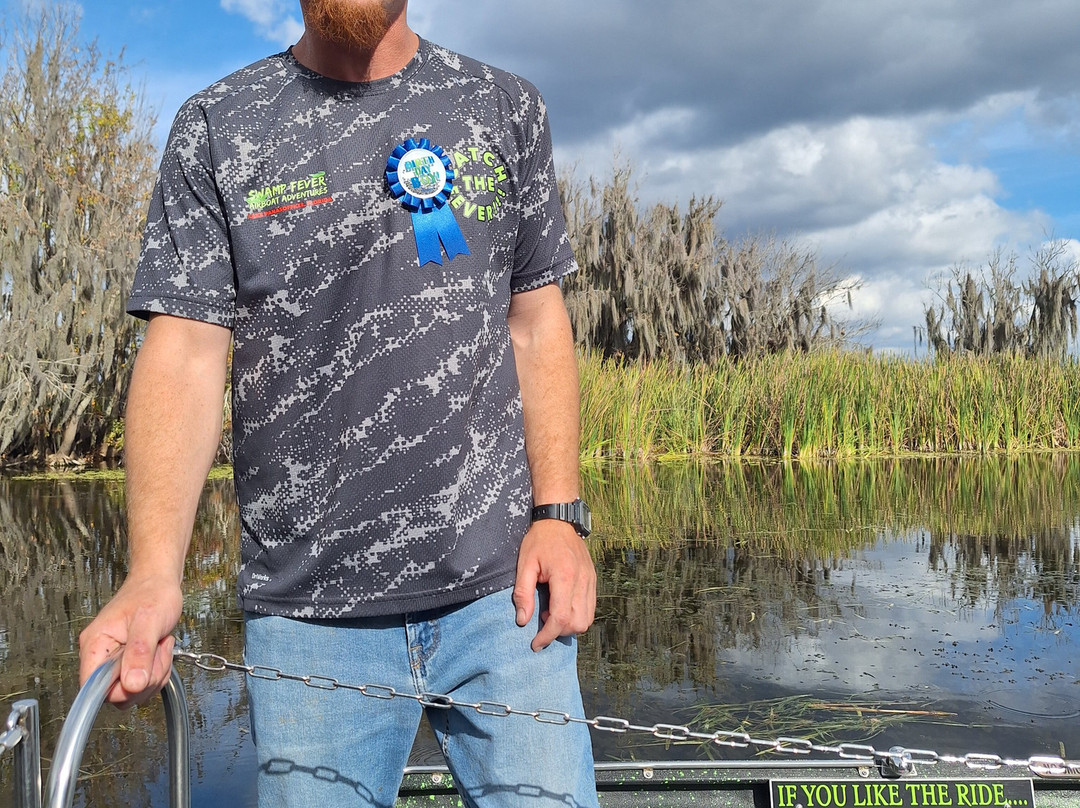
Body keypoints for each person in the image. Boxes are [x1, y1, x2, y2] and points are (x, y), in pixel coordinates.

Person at [78, 1, 600, 805]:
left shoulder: (504, 105)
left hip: (506, 600)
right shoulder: (217, 126)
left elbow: (536, 319)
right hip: (308, 626)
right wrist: (154, 573)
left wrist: (559, 517)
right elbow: (183, 352)